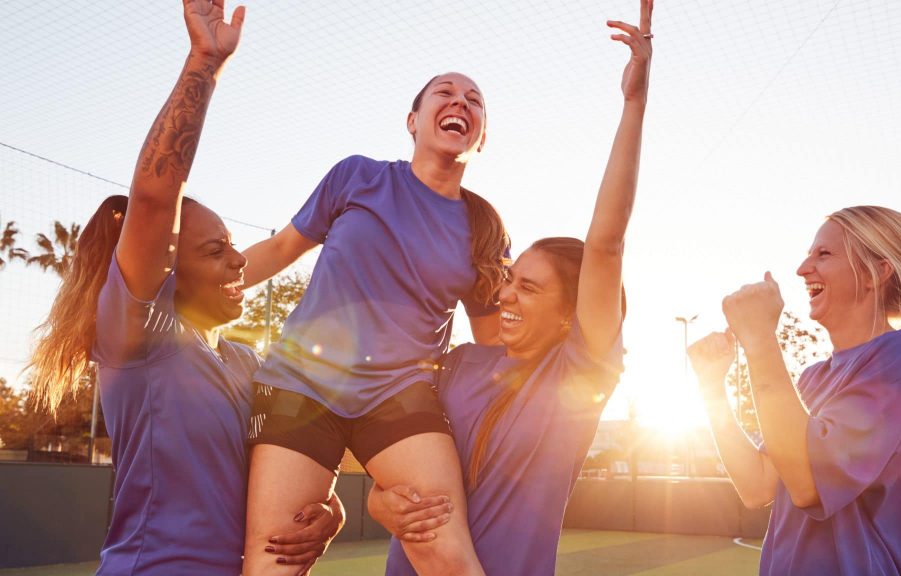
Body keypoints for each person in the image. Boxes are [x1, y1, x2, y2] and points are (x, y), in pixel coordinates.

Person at [29, 2, 342, 573]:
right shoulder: (139, 338)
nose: (237, 260)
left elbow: (282, 459)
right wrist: (205, 62)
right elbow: (154, 198)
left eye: (232, 246)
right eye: (214, 251)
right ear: (168, 271)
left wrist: (328, 507)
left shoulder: (245, 362)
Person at [367, 2, 653, 574]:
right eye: (509, 280)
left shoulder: (579, 373)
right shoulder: (456, 364)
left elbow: (606, 245)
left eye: (529, 287)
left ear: (571, 313)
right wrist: (381, 503)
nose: (505, 295)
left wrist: (634, 105)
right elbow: (391, 465)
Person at [239, 34, 509, 576]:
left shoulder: (485, 228)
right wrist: (184, 295)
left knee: (443, 549)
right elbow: (279, 249)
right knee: (275, 558)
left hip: (400, 395)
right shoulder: (357, 176)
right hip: (300, 385)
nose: (460, 102)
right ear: (413, 120)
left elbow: (492, 344)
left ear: (481, 137)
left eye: (474, 100)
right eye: (445, 93)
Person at [687, 205, 901, 575]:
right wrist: (711, 386)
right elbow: (757, 486)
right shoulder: (812, 379)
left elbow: (808, 486)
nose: (802, 268)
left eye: (823, 254)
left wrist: (759, 339)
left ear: (876, 273)